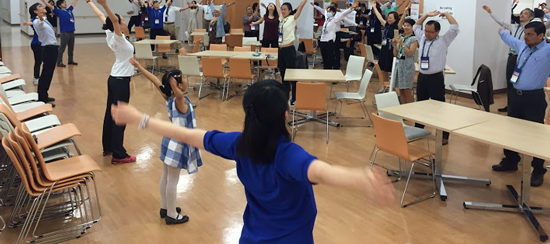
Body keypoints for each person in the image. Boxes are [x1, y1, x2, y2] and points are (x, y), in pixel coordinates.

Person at [110, 79, 394, 243]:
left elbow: (188, 134)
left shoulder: (238, 145)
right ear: (286, 115)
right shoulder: (287, 155)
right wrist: (361, 179)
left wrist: (140, 119)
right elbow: (322, 172)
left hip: (253, 237)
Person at [130, 60, 202, 224]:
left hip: (169, 140)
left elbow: (155, 81)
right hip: (177, 143)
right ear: (176, 84)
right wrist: (175, 86)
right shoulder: (179, 100)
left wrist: (140, 67)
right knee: (173, 180)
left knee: (166, 175)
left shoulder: (167, 95)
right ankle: (171, 214)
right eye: (183, 79)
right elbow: (178, 94)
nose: (186, 81)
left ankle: (165, 207)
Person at [80, 0, 136, 164]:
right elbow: (110, 18)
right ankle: (119, 154)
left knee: (110, 114)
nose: (124, 22)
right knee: (120, 116)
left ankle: (109, 147)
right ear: (117, 24)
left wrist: (89, 1)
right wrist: (104, 4)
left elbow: (101, 17)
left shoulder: (110, 34)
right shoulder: (117, 37)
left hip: (113, 79)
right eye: (122, 21)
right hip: (120, 81)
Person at [491, 21, 550, 187]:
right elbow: (509, 39)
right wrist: (501, 31)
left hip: (534, 98)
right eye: (525, 34)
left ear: (541, 35)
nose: (526, 37)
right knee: (512, 131)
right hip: (515, 96)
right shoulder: (523, 46)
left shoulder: (547, 51)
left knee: (535, 135)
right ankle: (511, 160)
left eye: (530, 34)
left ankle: (538, 169)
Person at [413, 10, 459, 144]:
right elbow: (416, 26)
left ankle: (444, 135)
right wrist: (426, 15)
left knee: (440, 108)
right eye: (426, 31)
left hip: (435, 78)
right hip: (422, 77)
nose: (427, 34)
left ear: (437, 32)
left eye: (431, 32)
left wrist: (447, 15)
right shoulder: (422, 38)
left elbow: (455, 27)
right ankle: (418, 130)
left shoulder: (444, 40)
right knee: (421, 104)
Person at [483, 5, 534, 113]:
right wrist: (490, 12)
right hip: (511, 58)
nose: (521, 15)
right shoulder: (515, 27)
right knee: (510, 82)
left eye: (525, 13)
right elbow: (501, 22)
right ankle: (510, 105)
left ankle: (517, 106)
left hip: (520, 60)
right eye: (521, 13)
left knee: (517, 82)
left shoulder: (530, 30)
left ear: (530, 17)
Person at [275, 0, 312, 106]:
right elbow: (277, 6)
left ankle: (295, 98)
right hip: (280, 50)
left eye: (285, 9)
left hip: (289, 49)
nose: (283, 10)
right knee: (283, 75)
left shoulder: (292, 18)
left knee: (292, 75)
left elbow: (302, 5)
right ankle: (286, 97)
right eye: (282, 9)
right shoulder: (281, 18)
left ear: (290, 11)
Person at [31, 0, 58, 107]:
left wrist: (43, 18)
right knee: (46, 74)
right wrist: (41, 19)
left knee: (48, 74)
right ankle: (42, 99)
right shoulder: (38, 21)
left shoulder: (45, 19)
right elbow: (40, 25)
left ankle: (44, 95)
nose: (43, 7)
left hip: (51, 48)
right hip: (48, 49)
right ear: (36, 12)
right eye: (40, 7)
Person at [41, 0, 79, 67]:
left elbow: (73, 4)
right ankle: (59, 61)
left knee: (71, 47)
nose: (65, 4)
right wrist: (44, 1)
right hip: (64, 32)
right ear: (60, 5)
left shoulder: (69, 10)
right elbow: (51, 6)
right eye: (63, 3)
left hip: (71, 31)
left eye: (65, 3)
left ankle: (70, 60)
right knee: (62, 47)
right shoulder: (59, 11)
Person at [318, 3, 358, 70]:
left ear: (333, 13)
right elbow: (324, 11)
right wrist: (325, 8)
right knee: (324, 58)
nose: (328, 13)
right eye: (327, 12)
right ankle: (326, 71)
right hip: (322, 41)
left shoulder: (335, 20)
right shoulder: (327, 19)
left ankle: (334, 71)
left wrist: (351, 8)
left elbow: (343, 14)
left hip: (329, 41)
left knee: (331, 57)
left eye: (330, 12)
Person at [371, 0, 400, 84]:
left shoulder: (396, 27)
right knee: (383, 69)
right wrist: (374, 7)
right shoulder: (387, 25)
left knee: (390, 68)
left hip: (391, 50)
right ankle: (384, 84)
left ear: (395, 19)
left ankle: (391, 86)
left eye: (391, 18)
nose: (389, 19)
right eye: (388, 17)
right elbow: (380, 17)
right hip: (384, 48)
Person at [392, 15, 418, 104]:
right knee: (401, 91)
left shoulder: (414, 39)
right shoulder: (402, 37)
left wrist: (402, 44)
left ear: (413, 27)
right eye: (405, 25)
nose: (406, 27)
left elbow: (410, 53)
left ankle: (409, 112)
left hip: (407, 67)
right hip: (399, 66)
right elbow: (395, 54)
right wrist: (395, 45)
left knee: (407, 91)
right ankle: (403, 110)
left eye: (408, 26)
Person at [22, 20, 42, 86]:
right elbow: (33, 23)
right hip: (37, 44)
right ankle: (36, 78)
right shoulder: (35, 20)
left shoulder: (40, 20)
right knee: (38, 61)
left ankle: (38, 77)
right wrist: (27, 23)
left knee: (40, 61)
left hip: (41, 44)